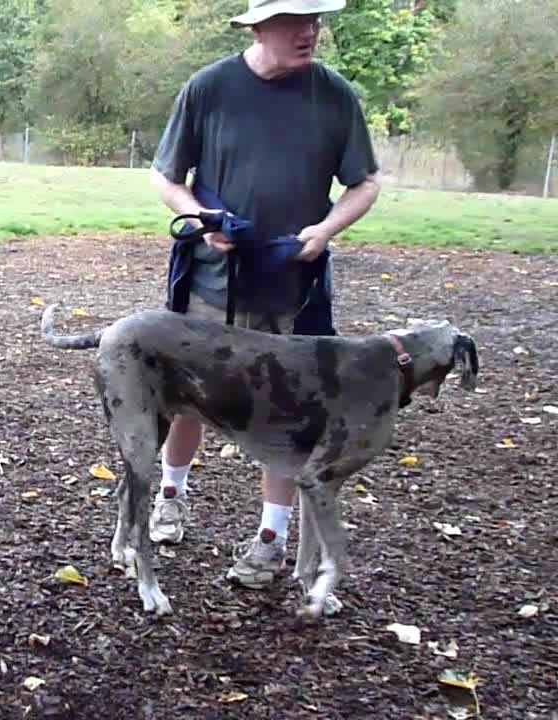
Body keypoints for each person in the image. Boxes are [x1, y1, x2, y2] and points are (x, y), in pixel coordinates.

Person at [146, 0, 381, 605]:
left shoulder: (335, 96)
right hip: (211, 281)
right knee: (188, 399)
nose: (309, 32)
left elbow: (366, 182)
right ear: (258, 28)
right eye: (294, 22)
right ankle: (171, 499)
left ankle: (270, 540)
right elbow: (167, 176)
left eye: (316, 21)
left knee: (284, 417)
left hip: (289, 286)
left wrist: (325, 231)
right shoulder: (209, 87)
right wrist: (197, 216)